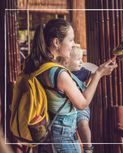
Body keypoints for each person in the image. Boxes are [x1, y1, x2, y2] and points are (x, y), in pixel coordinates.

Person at [23, 18, 117, 153]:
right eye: (70, 40)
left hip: (47, 137)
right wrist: (98, 74)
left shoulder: (40, 66)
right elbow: (82, 103)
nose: (73, 45)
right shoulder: (59, 73)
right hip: (63, 139)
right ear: (56, 42)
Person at [56, 45, 96, 153]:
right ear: (66, 62)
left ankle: (88, 147)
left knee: (83, 124)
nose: (81, 62)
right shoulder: (61, 74)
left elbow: (93, 73)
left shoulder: (83, 71)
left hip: (80, 107)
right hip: (68, 109)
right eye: (78, 59)